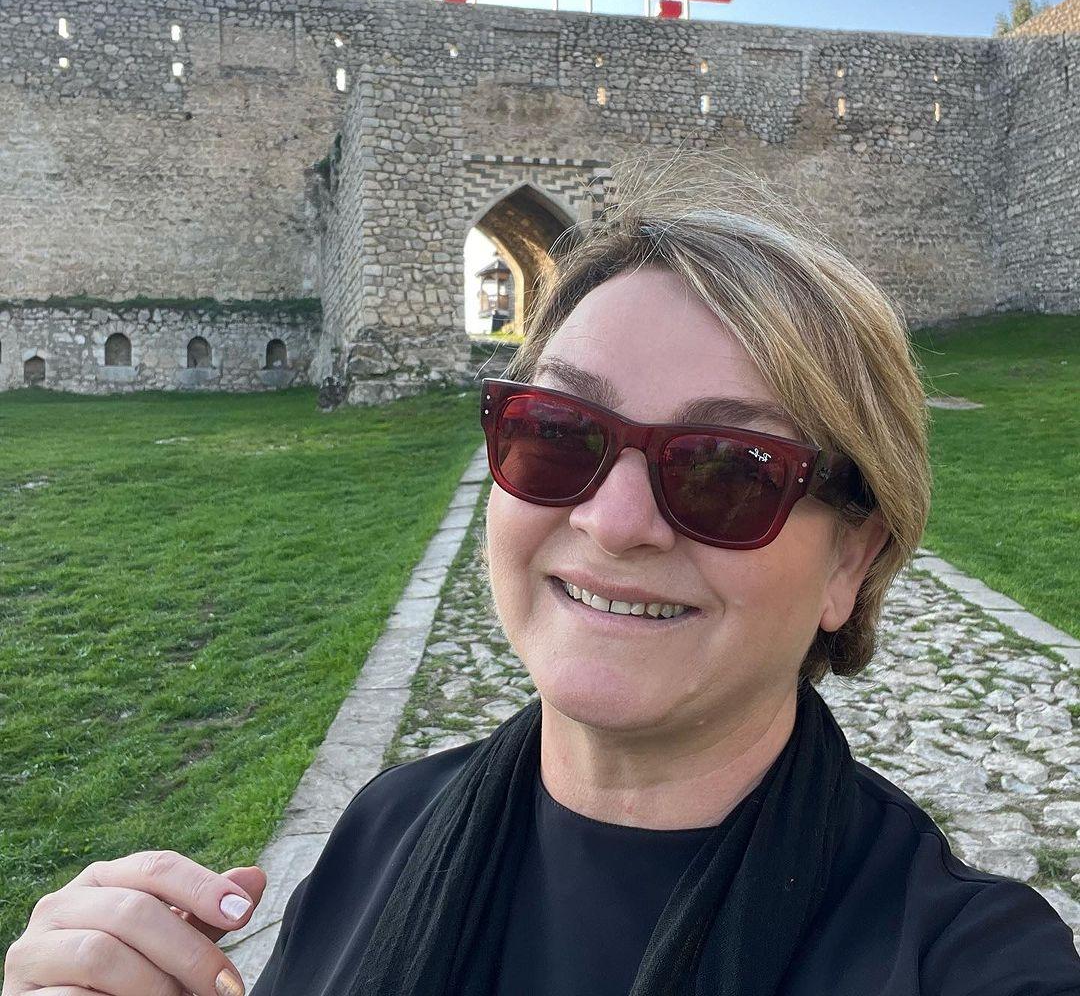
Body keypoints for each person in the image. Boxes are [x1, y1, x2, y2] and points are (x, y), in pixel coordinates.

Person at [6, 176, 1079, 996]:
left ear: (851, 559)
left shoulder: (961, 960)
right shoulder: (387, 827)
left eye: (727, 470)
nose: (612, 522)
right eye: (558, 432)